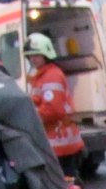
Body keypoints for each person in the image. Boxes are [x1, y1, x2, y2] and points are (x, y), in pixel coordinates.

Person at [23, 32, 85, 175]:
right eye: (30, 56)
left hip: (59, 143)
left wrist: (29, 115)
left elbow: (52, 111)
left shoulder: (51, 76)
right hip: (59, 143)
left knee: (65, 186)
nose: (32, 59)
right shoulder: (43, 76)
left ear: (46, 54)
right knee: (69, 185)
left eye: (36, 55)